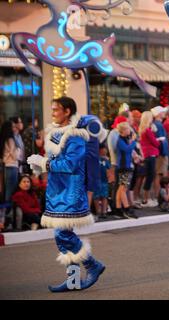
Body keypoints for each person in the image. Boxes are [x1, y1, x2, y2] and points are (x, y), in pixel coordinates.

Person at [26, 96, 105, 292]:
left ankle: (92, 265)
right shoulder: (56, 132)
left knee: (62, 233)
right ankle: (73, 281)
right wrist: (39, 165)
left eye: (56, 109)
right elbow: (55, 159)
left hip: (70, 192)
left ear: (67, 111)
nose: (52, 113)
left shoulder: (76, 136)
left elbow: (70, 164)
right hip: (57, 190)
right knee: (62, 234)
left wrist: (44, 163)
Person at [116, 122, 138, 219]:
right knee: (123, 188)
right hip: (124, 167)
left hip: (126, 166)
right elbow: (127, 149)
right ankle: (127, 208)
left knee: (121, 188)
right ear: (123, 131)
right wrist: (133, 141)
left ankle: (118, 208)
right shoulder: (120, 140)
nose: (130, 131)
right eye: (128, 129)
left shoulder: (124, 139)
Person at [139, 111, 162, 207]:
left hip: (147, 154)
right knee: (150, 176)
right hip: (150, 154)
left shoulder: (143, 129)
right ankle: (146, 199)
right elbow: (155, 143)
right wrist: (159, 140)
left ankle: (146, 198)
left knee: (149, 176)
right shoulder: (147, 130)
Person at [151, 106, 169, 199]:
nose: (164, 113)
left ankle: (159, 195)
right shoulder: (157, 124)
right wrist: (162, 152)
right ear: (158, 114)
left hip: (162, 152)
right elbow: (158, 140)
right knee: (159, 174)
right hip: (161, 153)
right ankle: (158, 196)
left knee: (160, 174)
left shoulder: (158, 124)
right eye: (162, 112)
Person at [93, 144, 111, 220]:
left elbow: (109, 168)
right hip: (96, 180)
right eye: (104, 149)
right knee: (96, 197)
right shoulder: (94, 158)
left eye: (106, 149)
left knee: (104, 196)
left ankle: (104, 212)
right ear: (99, 150)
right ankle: (98, 211)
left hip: (104, 181)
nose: (105, 151)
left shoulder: (106, 160)